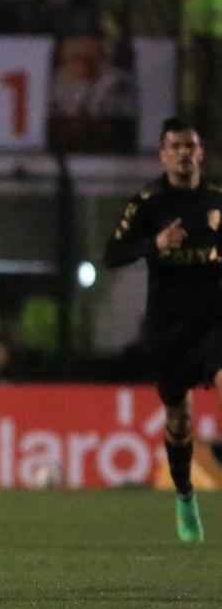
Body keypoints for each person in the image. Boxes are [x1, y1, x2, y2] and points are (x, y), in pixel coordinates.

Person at [104, 116, 222, 542]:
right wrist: (154, 245)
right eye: (175, 146)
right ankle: (186, 496)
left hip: (214, 321)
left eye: (190, 146)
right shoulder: (147, 203)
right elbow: (112, 254)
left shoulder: (217, 201)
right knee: (178, 419)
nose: (184, 153)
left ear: (201, 153)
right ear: (163, 153)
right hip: (169, 327)